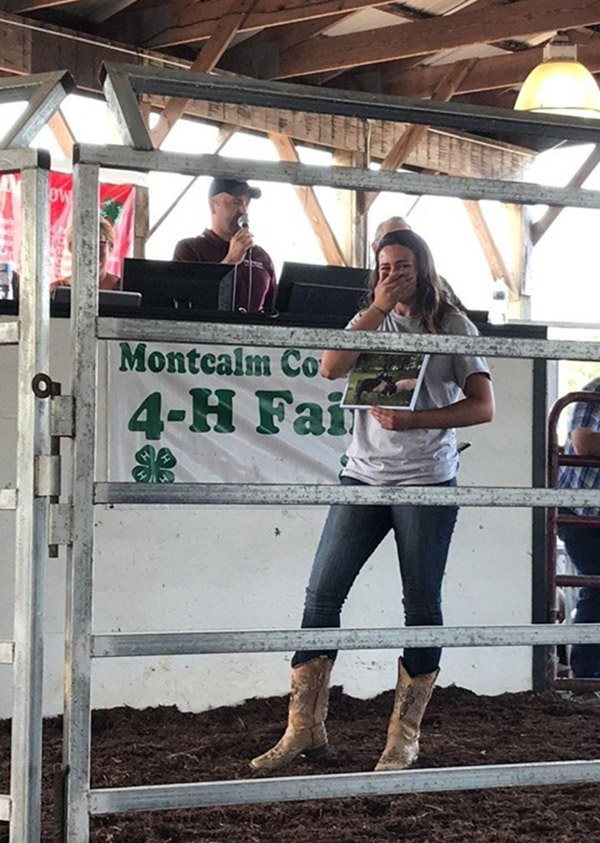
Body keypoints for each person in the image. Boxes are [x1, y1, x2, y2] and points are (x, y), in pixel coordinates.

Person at [250, 229, 494, 774]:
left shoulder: (453, 326)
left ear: (423, 268)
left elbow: (483, 407)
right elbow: (330, 368)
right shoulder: (369, 318)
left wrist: (418, 420)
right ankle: (304, 729)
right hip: (362, 475)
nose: (393, 275)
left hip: (426, 479)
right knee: (321, 596)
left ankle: (403, 738)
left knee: (421, 606)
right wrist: (376, 308)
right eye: (384, 267)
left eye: (402, 266)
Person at [173, 177, 277, 313]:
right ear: (213, 206)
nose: (243, 210)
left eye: (247, 203)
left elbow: (274, 310)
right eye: (236, 202)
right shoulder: (190, 249)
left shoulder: (261, 257)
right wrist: (230, 261)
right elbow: (186, 303)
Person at [557, 377, 600, 678]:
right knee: (597, 584)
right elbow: (583, 440)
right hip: (581, 509)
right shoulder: (594, 392)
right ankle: (585, 676)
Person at [372, 216, 466, 312]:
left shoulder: (438, 283)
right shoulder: (371, 284)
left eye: (407, 238)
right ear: (375, 248)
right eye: (390, 239)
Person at [50, 218, 120, 293]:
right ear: (71, 248)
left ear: (111, 247)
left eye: (99, 243)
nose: (91, 250)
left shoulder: (124, 288)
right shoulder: (56, 290)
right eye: (83, 243)